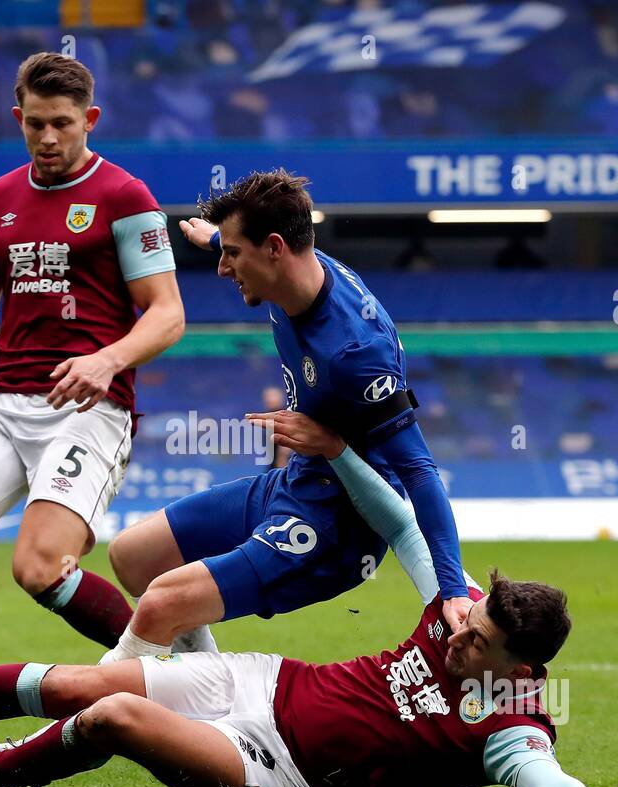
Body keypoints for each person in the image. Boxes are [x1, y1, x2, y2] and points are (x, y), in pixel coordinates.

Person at [0, 410, 618, 787]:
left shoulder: (512, 727)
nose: (456, 636)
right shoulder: (452, 610)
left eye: (478, 643)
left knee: (116, 716)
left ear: (521, 669)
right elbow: (406, 521)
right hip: (265, 681)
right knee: (76, 680)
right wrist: (337, 451)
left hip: (275, 770)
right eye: (468, 619)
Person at [0, 53, 185, 746]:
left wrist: (107, 359)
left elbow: (168, 313)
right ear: (17, 118)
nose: (49, 137)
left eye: (63, 124)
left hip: (91, 406)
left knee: (38, 567)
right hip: (3, 399)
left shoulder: (125, 197)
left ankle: (164, 677)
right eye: (35, 124)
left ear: (90, 120)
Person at [101, 169, 471, 670]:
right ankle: (211, 700)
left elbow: (419, 472)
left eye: (232, 255)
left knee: (162, 602)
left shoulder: (357, 351)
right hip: (294, 482)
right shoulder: (295, 269)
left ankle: (87, 717)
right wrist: (214, 237)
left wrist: (451, 589)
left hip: (338, 526)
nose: (222, 268)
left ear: (274, 248)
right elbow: (255, 247)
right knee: (133, 557)